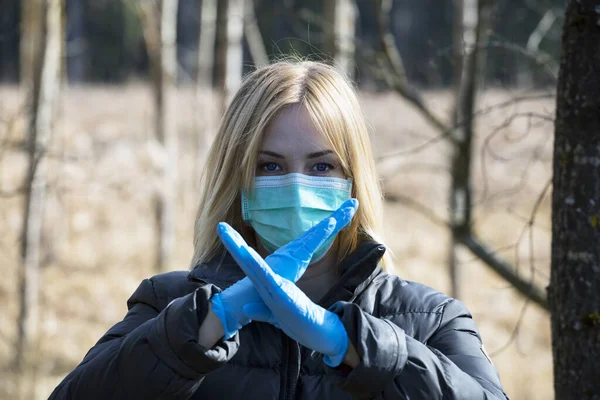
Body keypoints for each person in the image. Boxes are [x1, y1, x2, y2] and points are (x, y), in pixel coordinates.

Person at [50, 60, 508, 399]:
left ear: (354, 181)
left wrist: (348, 341)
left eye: (321, 165)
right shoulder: (165, 305)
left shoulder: (430, 321)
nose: (294, 185)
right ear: (240, 182)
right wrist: (208, 324)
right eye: (270, 165)